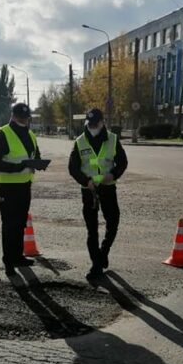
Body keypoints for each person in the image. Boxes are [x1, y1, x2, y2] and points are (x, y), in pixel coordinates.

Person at [68, 108, 128, 281]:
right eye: (90, 124)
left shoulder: (112, 139)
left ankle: (104, 252)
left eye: (95, 124)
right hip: (89, 190)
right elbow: (73, 167)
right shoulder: (80, 141)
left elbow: (122, 162)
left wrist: (113, 175)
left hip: (108, 187)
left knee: (113, 222)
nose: (92, 127)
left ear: (102, 123)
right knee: (91, 229)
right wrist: (85, 181)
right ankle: (96, 264)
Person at [0, 102, 46, 277]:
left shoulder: (30, 134)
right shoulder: (2, 133)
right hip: (8, 187)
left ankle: (18, 256)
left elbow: (35, 154)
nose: (23, 120)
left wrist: (39, 163)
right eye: (20, 117)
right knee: (9, 225)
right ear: (13, 116)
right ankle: (8, 262)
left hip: (25, 185)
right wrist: (17, 167)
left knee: (20, 223)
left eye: (26, 118)